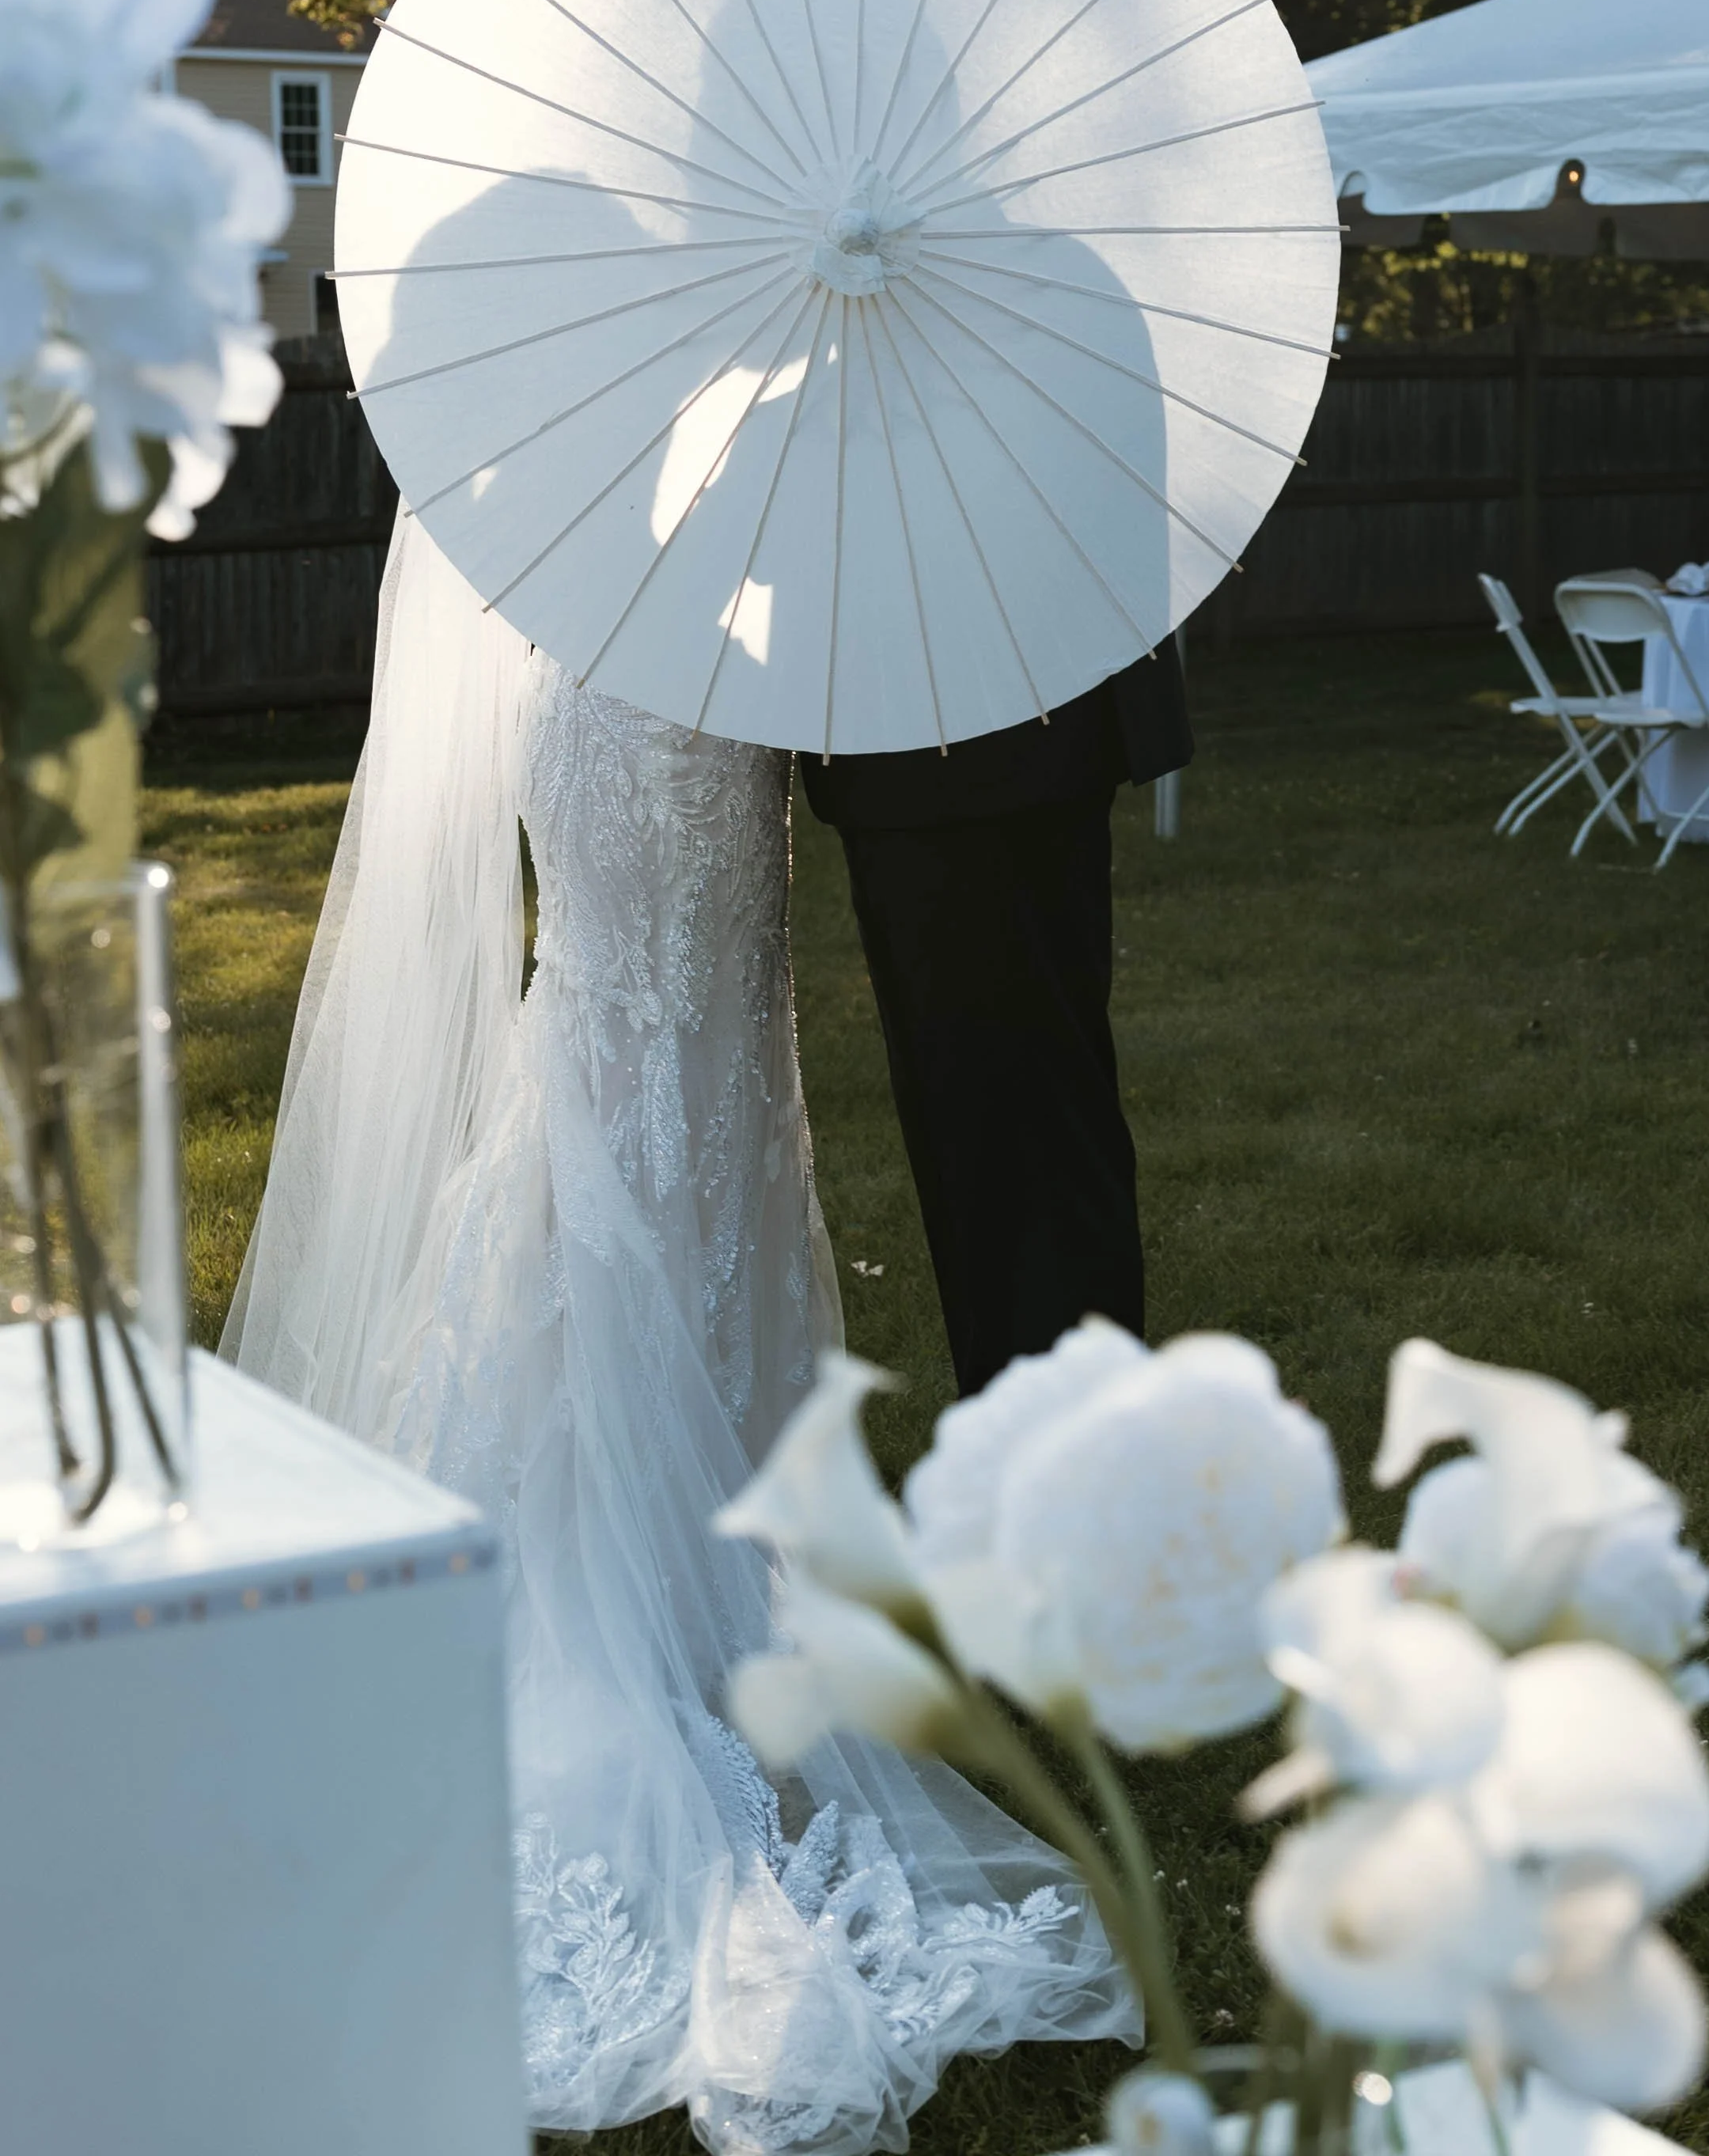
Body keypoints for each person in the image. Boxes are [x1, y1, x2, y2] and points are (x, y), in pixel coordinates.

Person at [224, 512, 1135, 2151]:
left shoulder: (677, 348)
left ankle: (709, 1538)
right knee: (635, 1072)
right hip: (637, 701)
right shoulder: (588, 388)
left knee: (702, 1097)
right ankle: (632, 1587)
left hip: (705, 698)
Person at [800, 640, 1192, 1396]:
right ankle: (1048, 1424)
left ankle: (1053, 1432)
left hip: (966, 723)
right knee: (999, 1117)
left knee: (1004, 1116)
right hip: (974, 724)